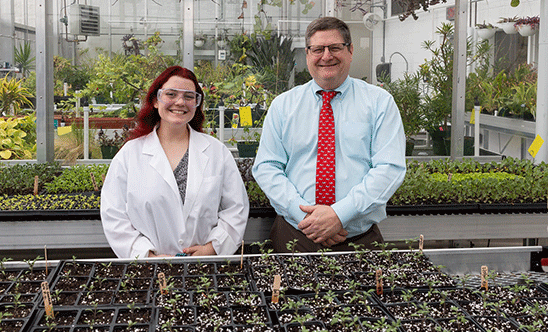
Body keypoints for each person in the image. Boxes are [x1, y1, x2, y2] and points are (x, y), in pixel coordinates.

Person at [252, 17, 406, 253]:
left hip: (358, 237)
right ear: (307, 54)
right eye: (318, 49)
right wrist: (308, 218)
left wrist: (339, 215)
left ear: (350, 50)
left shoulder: (379, 103)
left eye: (335, 48)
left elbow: (389, 168)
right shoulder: (284, 105)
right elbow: (267, 167)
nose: (326, 56)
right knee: (290, 292)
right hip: (295, 234)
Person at [101, 66, 249, 259]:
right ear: (155, 100)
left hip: (203, 266)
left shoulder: (216, 152)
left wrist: (213, 248)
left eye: (189, 96)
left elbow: (236, 208)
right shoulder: (130, 154)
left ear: (196, 103)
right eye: (171, 94)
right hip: (150, 270)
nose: (180, 102)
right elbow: (114, 214)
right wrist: (146, 256)